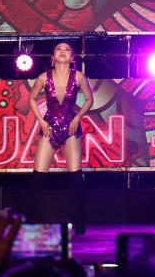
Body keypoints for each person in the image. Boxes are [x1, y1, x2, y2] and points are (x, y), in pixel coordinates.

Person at [28, 42, 94, 234]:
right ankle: (31, 222)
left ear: (72, 57)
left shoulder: (78, 76)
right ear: (52, 57)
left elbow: (89, 99)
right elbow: (31, 98)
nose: (63, 51)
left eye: (67, 50)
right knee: (38, 176)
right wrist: (41, 121)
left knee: (75, 176)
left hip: (71, 126)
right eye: (59, 49)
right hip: (49, 126)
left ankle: (80, 225)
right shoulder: (43, 77)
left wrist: (77, 118)